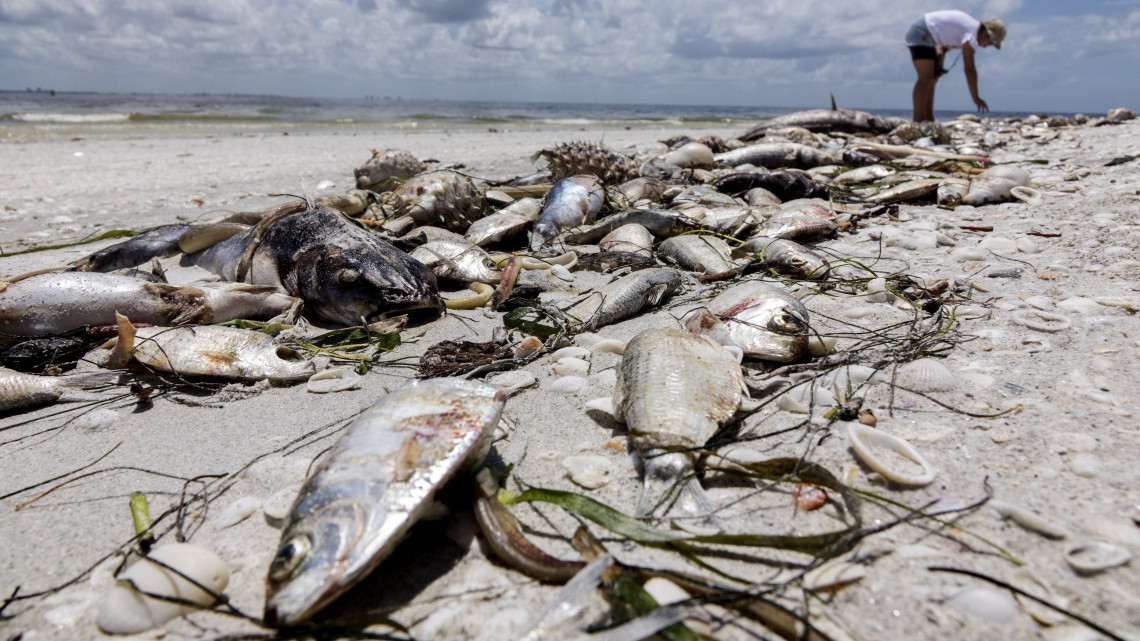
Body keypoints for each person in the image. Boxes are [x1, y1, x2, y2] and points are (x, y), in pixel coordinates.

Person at [905, 10, 1005, 122]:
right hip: (921, 32)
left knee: (932, 79)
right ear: (986, 35)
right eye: (990, 43)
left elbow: (942, 48)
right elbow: (970, 70)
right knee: (925, 78)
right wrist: (975, 98)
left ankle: (929, 119)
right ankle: (916, 122)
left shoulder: (969, 30)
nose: (987, 47)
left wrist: (938, 66)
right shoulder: (971, 35)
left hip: (924, 33)